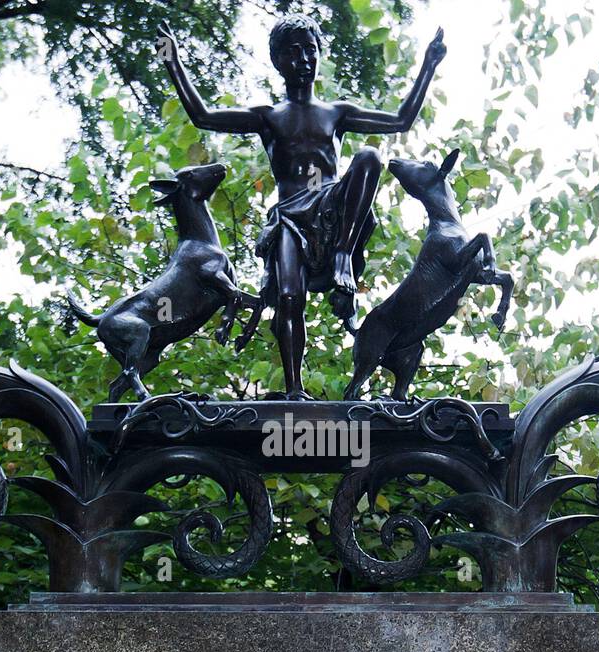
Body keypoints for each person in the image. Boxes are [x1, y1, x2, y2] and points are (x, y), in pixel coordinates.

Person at [159, 14, 446, 398]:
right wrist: (173, 63)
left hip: (333, 211)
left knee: (369, 157)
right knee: (291, 298)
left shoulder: (335, 113)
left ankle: (342, 257)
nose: (305, 60)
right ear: (278, 61)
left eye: (310, 50)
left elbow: (400, 120)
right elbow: (203, 117)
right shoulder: (268, 117)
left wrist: (428, 65)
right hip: (290, 217)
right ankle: (294, 390)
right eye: (294, 53)